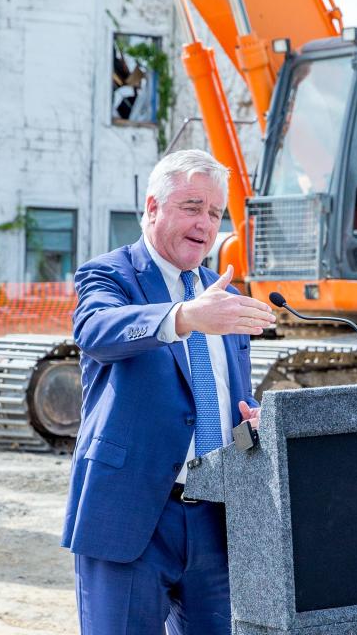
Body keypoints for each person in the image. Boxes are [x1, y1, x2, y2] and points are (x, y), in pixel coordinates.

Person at [62, 149, 276, 633]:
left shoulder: (222, 296)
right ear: (153, 207)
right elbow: (96, 329)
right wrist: (184, 317)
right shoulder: (110, 274)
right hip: (132, 513)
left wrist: (258, 421)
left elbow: (228, 398)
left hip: (219, 520)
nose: (206, 222)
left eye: (215, 212)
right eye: (192, 206)